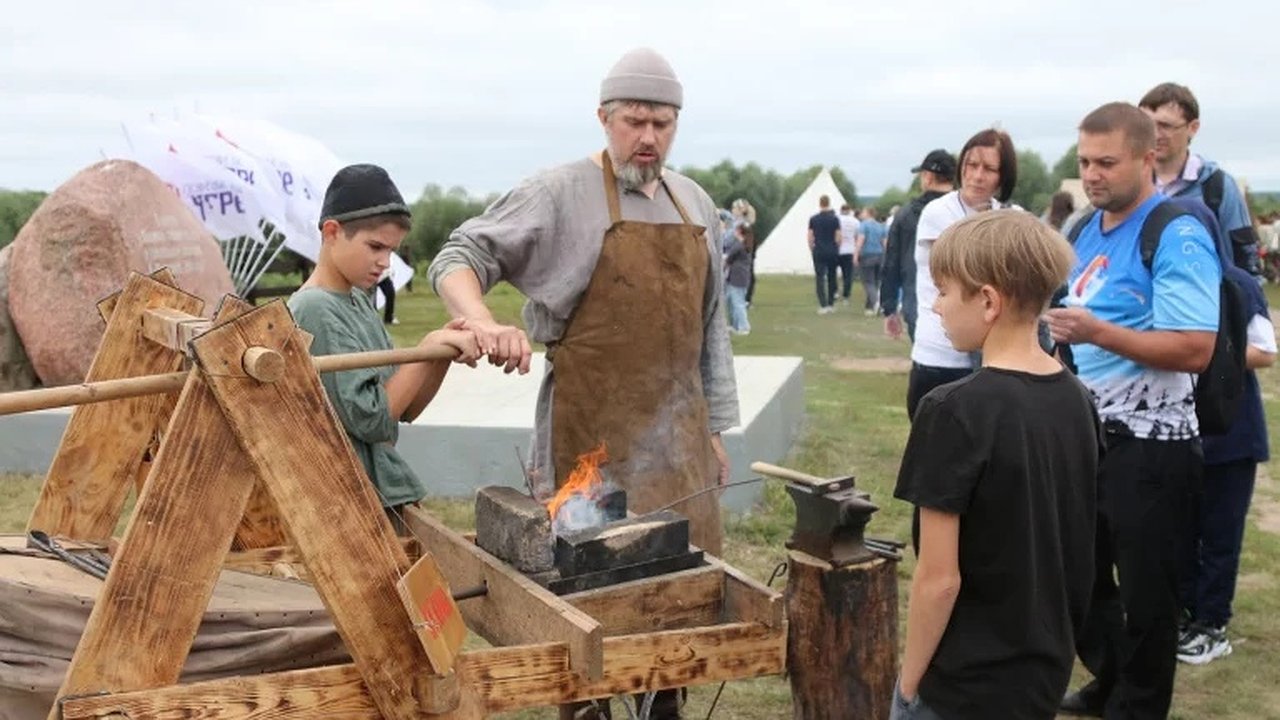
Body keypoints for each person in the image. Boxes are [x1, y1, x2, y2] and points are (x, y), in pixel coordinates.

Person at [892, 210, 1100, 720]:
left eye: (945, 290)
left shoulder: (950, 411)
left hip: (962, 686)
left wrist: (908, 687)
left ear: (987, 300)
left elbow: (939, 580)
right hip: (1040, 676)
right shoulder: (1078, 399)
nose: (937, 306)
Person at [1048, 102, 1219, 720]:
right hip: (1090, 439)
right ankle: (1112, 679)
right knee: (1083, 580)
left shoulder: (1176, 230)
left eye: (1106, 162)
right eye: (1084, 162)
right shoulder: (1085, 231)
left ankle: (1138, 705)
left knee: (1149, 595)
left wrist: (1095, 333)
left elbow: (1195, 348)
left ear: (1149, 157)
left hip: (1156, 448)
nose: (1092, 175)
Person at [289, 164, 480, 533]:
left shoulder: (358, 301)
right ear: (332, 231)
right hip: (352, 505)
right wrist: (428, 345)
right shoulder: (315, 309)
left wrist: (439, 355)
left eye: (391, 250)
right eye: (375, 247)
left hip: (383, 492)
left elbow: (403, 409)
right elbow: (373, 420)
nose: (384, 262)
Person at [1177, 262, 1275, 665]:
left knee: (1220, 535)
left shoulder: (1236, 283)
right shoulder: (1169, 278)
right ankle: (1185, 614)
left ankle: (1212, 623)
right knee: (1180, 531)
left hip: (1232, 433)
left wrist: (1209, 353)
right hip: (1179, 430)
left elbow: (1266, 351)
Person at [907, 129, 1019, 419]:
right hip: (940, 354)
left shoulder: (1011, 214)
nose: (977, 176)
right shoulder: (938, 212)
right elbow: (970, 275)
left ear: (1003, 176)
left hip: (992, 359)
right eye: (971, 165)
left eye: (989, 168)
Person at [1138, 82, 1261, 276]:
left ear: (1193, 127)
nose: (1155, 134)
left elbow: (1244, 259)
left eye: (1165, 125)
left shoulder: (1217, 187)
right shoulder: (1132, 183)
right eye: (1147, 125)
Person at [882, 149, 956, 342]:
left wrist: (889, 308)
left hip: (917, 303)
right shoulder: (965, 212)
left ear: (928, 177)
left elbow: (891, 263)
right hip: (962, 307)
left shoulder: (906, 214)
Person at [809, 194, 842, 314]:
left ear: (820, 203)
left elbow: (810, 236)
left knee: (819, 277)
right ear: (829, 203)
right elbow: (838, 236)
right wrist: (836, 246)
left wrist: (812, 248)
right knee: (832, 277)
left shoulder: (813, 219)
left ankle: (823, 304)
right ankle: (831, 304)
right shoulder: (835, 219)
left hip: (819, 250)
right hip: (832, 250)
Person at [724, 223, 753, 335]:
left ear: (740, 232)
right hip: (739, 277)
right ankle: (735, 325)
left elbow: (729, 258)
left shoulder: (739, 246)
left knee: (738, 303)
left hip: (737, 278)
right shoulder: (746, 245)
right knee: (731, 301)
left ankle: (744, 326)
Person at [857, 207, 887, 314]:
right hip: (879, 255)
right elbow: (884, 243)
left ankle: (876, 303)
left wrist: (856, 254)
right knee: (876, 281)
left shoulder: (864, 225)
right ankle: (869, 307)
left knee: (868, 282)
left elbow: (861, 240)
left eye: (863, 212)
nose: (862, 213)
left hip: (867, 255)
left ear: (868, 213)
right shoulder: (880, 226)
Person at [837, 203, 861, 304]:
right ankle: (846, 296)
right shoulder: (855, 221)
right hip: (850, 250)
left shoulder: (837, 219)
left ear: (841, 210)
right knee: (848, 275)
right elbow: (857, 236)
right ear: (849, 210)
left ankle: (834, 292)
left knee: (833, 271)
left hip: (838, 250)